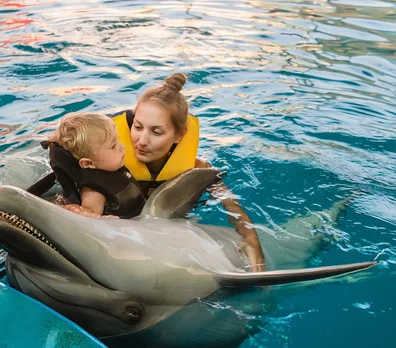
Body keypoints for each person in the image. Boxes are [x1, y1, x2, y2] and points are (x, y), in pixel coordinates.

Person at [109, 72, 266, 271]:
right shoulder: (111, 159)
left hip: (172, 243)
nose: (142, 140)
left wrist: (252, 239)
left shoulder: (198, 169)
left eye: (156, 132)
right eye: (138, 127)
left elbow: (231, 205)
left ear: (179, 136)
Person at [39, 112, 145, 218]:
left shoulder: (105, 170)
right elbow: (88, 214)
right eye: (113, 146)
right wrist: (99, 218)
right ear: (88, 163)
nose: (122, 146)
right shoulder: (94, 192)